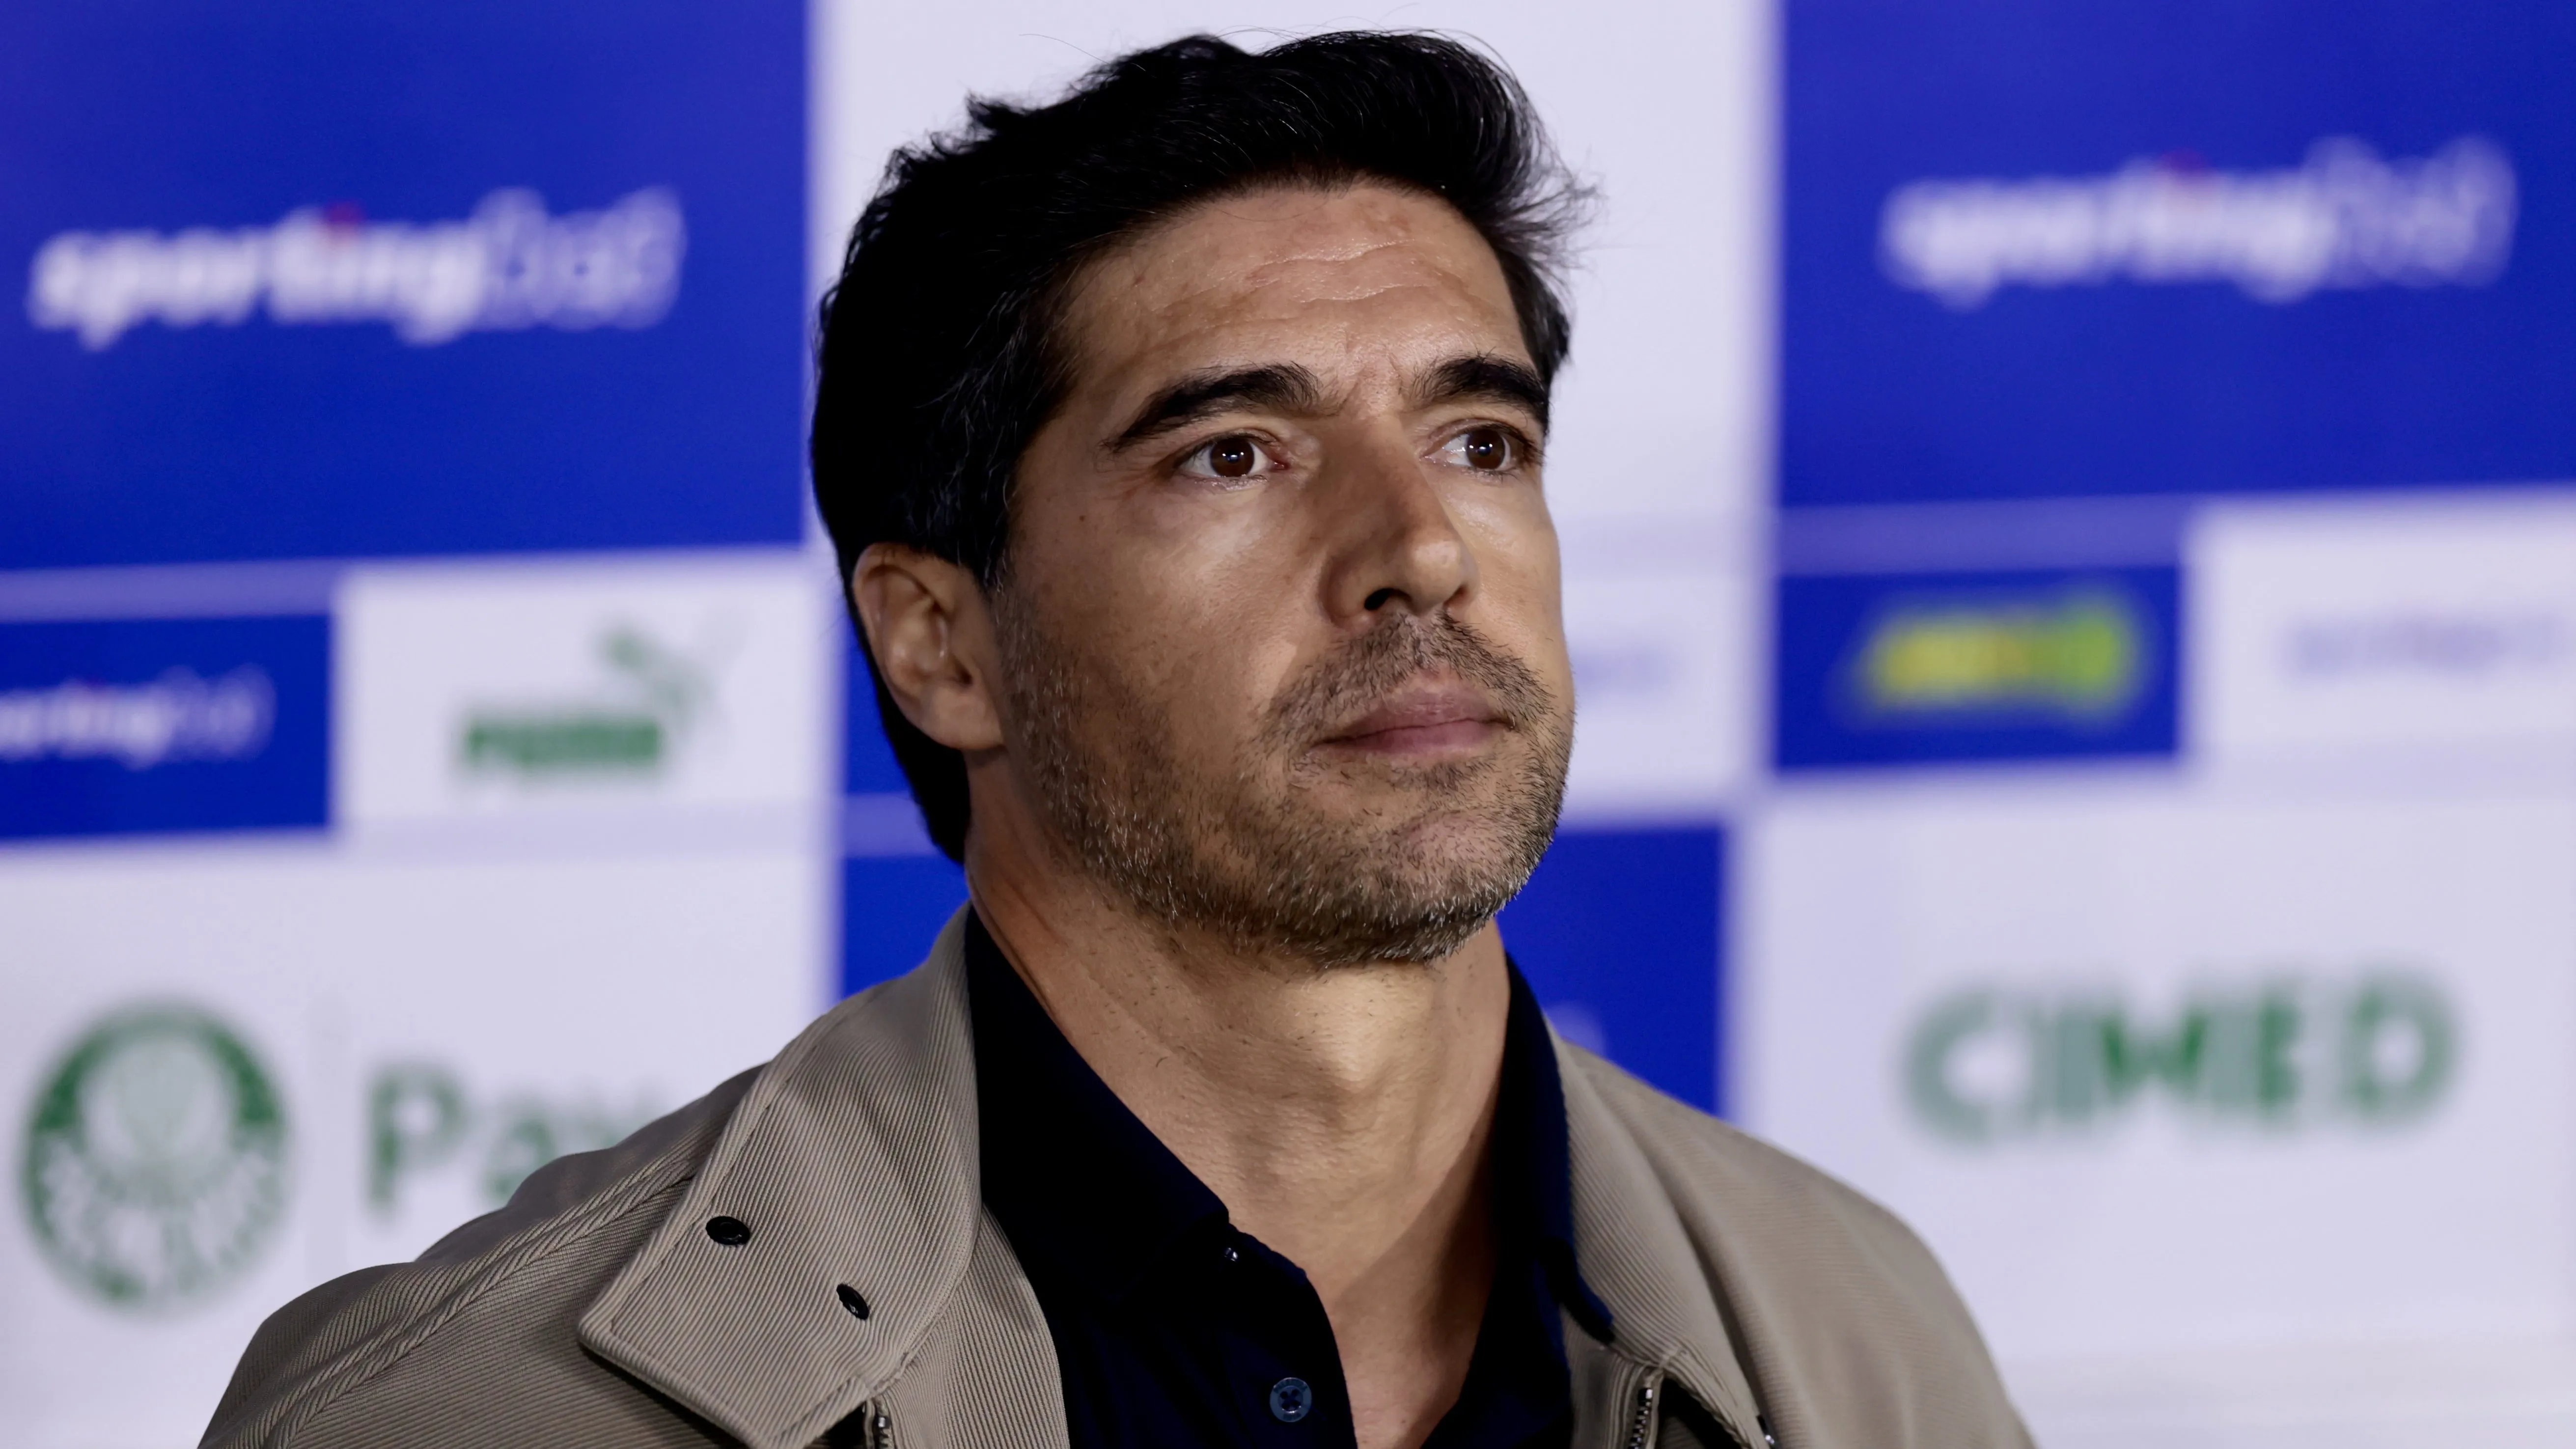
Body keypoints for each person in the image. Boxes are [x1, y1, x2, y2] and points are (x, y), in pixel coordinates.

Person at [203, 32, 2028, 1449]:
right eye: (1233, 452)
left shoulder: (1863, 1342)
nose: (1417, 548)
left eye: (1480, 440)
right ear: (940, 645)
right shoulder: (485, 1409)